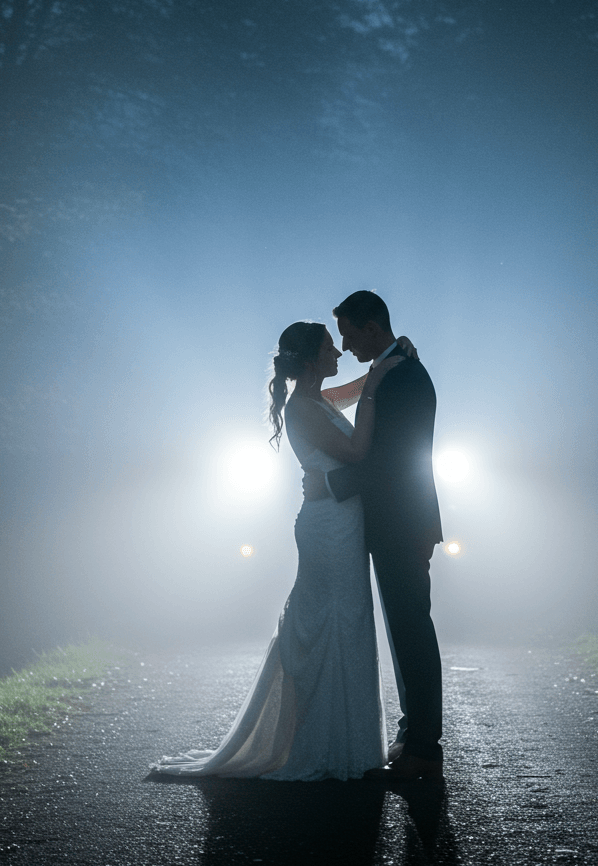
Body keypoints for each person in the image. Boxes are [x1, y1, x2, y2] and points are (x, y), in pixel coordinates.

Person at [149, 320, 402, 781]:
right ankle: (321, 745)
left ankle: (345, 741)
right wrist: (377, 384)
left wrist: (384, 365)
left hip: (340, 523)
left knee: (345, 620)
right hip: (327, 530)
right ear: (310, 361)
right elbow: (357, 450)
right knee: (329, 622)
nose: (339, 352)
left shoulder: (313, 400)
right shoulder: (304, 409)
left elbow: (345, 393)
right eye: (330, 347)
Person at [320, 290, 444, 782]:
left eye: (349, 334)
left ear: (372, 328)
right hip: (400, 518)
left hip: (402, 520)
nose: (346, 346)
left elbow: (391, 460)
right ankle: (414, 736)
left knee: (412, 632)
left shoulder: (403, 376)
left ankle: (423, 751)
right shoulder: (391, 370)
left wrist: (330, 484)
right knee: (406, 630)